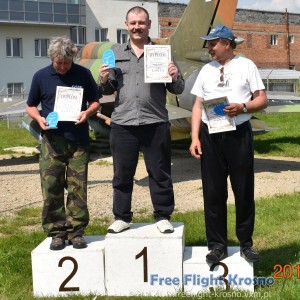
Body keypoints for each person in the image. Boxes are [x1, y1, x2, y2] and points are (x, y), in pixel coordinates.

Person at [98, 6, 185, 234]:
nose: (137, 27)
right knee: (122, 174)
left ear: (149, 25)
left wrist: (175, 75)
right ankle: (122, 217)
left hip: (154, 122)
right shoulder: (114, 53)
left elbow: (178, 88)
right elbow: (107, 88)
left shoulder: (162, 54)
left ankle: (163, 216)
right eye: (133, 23)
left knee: (160, 172)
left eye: (142, 23)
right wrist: (104, 79)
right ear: (126, 25)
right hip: (123, 123)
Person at [189, 25, 268, 263]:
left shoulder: (247, 65)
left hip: (238, 134)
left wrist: (242, 107)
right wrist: (194, 137)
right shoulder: (205, 70)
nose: (209, 48)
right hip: (210, 135)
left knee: (243, 190)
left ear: (227, 43)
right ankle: (217, 246)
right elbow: (197, 105)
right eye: (209, 43)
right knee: (213, 193)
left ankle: (246, 244)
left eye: (213, 43)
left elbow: (262, 99)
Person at [26, 37, 100, 250]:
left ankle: (76, 232)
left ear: (73, 58)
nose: (63, 67)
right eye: (59, 63)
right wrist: (39, 119)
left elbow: (95, 100)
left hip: (78, 142)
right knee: (51, 187)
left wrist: (87, 112)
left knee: (78, 188)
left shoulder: (83, 74)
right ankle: (57, 232)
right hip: (52, 141)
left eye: (67, 63)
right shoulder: (40, 76)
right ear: (52, 59)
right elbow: (31, 105)